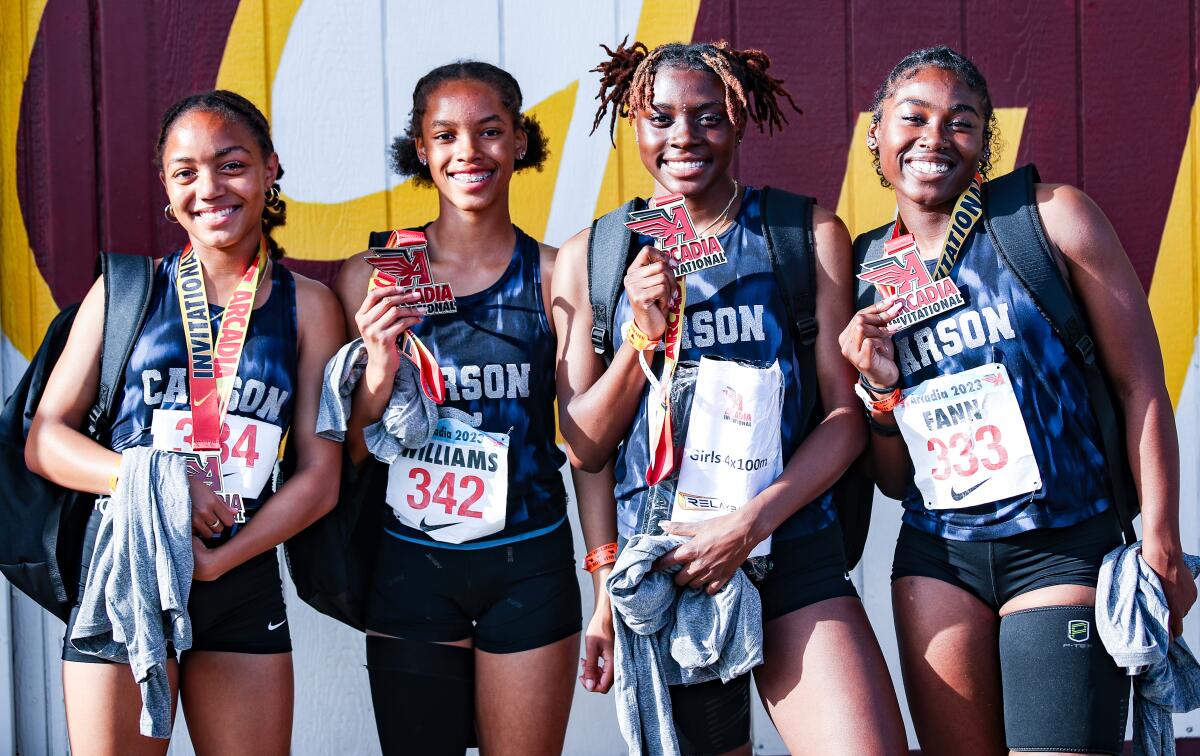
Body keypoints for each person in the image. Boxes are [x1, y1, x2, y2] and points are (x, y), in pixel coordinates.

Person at [553, 39, 908, 755]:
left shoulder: (802, 233)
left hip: (789, 546)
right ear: (633, 122)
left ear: (740, 119)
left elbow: (842, 421)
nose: (684, 136)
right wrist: (642, 338)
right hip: (672, 566)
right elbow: (586, 445)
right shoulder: (593, 253)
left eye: (708, 117)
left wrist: (746, 527)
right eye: (661, 118)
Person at [840, 46, 1196, 756]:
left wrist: (1160, 534)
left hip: (1063, 548)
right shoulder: (867, 267)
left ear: (985, 144)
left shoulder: (1050, 218)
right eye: (913, 118)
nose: (935, 137)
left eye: (961, 122)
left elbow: (1142, 386)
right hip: (938, 558)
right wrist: (879, 390)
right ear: (876, 134)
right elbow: (891, 479)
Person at [25, 90, 344, 755]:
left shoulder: (308, 306)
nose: (210, 188)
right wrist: (162, 482)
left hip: (239, 573)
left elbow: (320, 475)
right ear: (168, 191)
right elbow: (47, 438)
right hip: (127, 570)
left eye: (231, 164)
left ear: (269, 170)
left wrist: (222, 560)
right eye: (186, 172)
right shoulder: (126, 292)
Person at [335, 61, 609, 756]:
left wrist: (605, 578)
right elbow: (354, 452)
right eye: (446, 135)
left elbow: (586, 447)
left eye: (489, 132)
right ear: (421, 150)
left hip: (530, 564)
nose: (469, 152)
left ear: (519, 141)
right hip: (411, 569)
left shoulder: (555, 274)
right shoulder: (372, 277)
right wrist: (379, 363)